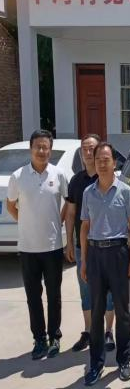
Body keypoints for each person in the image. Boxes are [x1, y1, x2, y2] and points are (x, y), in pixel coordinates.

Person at [79, 142, 130, 386]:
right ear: (93, 162)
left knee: (122, 311)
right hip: (95, 254)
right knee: (96, 311)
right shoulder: (88, 193)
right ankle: (96, 363)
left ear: (114, 163)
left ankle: (124, 360)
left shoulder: (125, 191)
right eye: (98, 159)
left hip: (118, 253)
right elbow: (84, 227)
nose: (102, 163)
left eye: (106, 159)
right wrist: (84, 260)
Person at [6, 129, 69, 360]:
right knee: (33, 297)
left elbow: (69, 202)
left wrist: (59, 221)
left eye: (45, 147)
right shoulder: (18, 176)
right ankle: (39, 338)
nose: (42, 151)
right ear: (31, 148)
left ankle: (54, 336)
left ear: (50, 150)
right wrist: (24, 221)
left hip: (52, 247)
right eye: (38, 147)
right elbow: (10, 205)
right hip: (28, 248)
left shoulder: (58, 174)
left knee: (54, 296)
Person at [64, 134, 115, 353]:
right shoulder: (76, 181)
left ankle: (108, 331)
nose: (87, 152)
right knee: (86, 290)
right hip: (83, 247)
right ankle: (88, 331)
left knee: (109, 291)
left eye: (91, 148)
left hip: (108, 247)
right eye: (84, 148)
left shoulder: (109, 179)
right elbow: (70, 214)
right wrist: (69, 242)